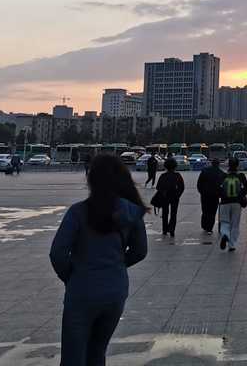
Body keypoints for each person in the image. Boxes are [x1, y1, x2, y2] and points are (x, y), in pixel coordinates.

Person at [49, 154, 147, 366]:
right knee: (97, 352)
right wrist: (118, 265)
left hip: (82, 291)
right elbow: (140, 251)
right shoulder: (132, 211)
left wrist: (72, 275)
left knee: (73, 357)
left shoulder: (78, 212)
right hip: (115, 291)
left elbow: (57, 253)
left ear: (91, 179)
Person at [219, 157, 247, 252]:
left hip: (224, 203)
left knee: (224, 221)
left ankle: (225, 234)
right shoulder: (241, 176)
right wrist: (240, 197)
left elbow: (218, 189)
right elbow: (245, 190)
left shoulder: (223, 176)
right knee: (235, 224)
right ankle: (232, 244)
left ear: (228, 165)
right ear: (237, 165)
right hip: (237, 203)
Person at [156, 157, 184, 237]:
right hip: (175, 196)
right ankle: (172, 230)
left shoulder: (163, 176)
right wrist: (178, 194)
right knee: (173, 214)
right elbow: (182, 187)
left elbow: (158, 187)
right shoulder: (178, 175)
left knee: (165, 213)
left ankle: (164, 230)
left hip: (165, 197)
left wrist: (163, 192)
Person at [197, 158, 225, 235]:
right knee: (212, 212)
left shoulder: (204, 171)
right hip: (215, 195)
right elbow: (222, 187)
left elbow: (199, 183)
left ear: (211, 163)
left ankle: (204, 225)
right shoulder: (221, 173)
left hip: (205, 194)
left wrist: (201, 191)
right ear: (218, 164)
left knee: (205, 210)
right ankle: (209, 228)